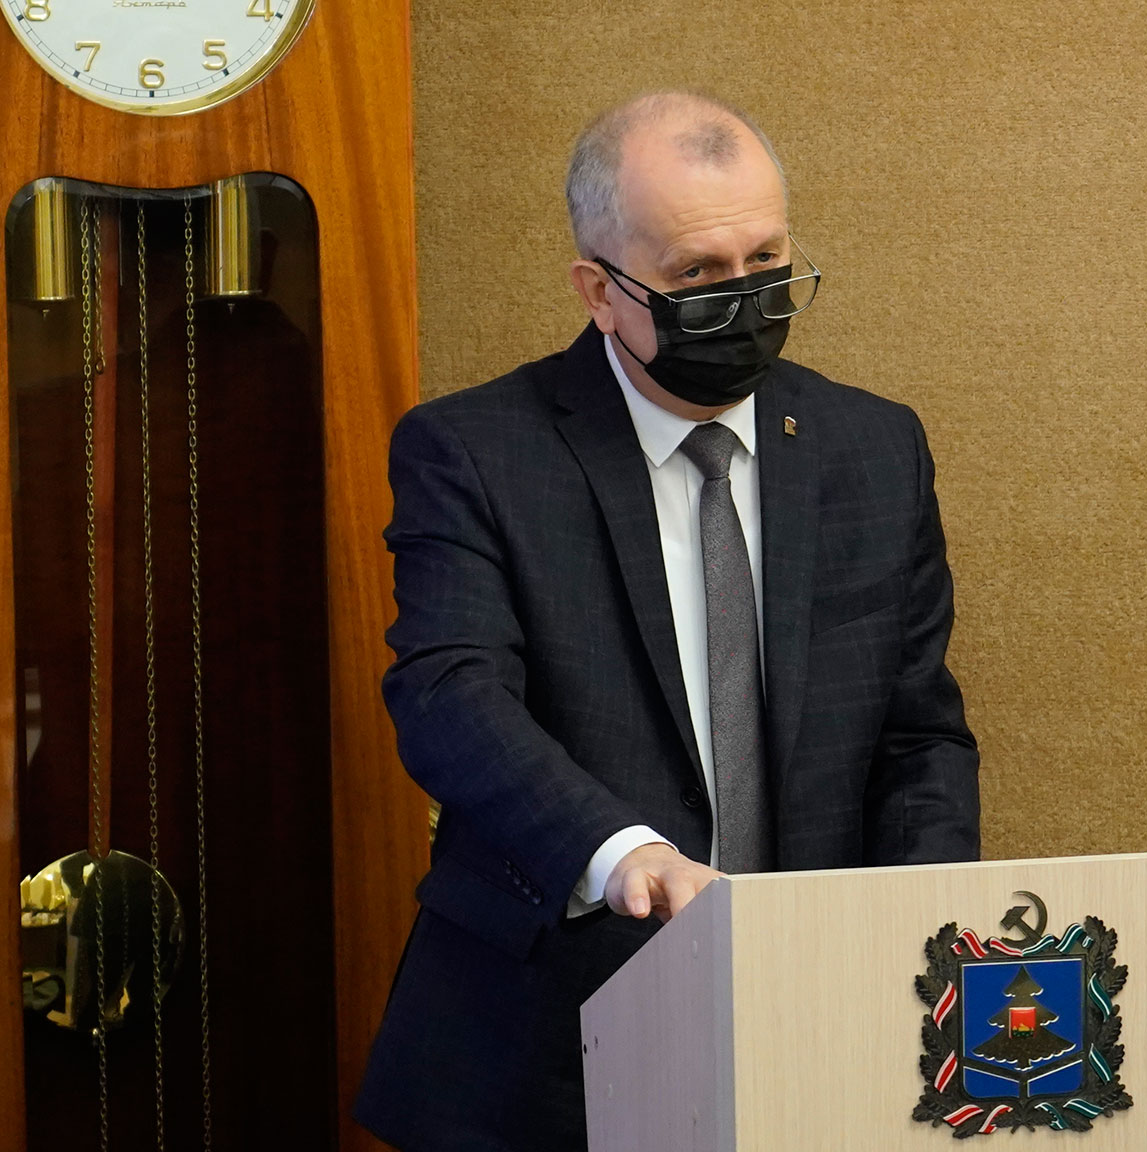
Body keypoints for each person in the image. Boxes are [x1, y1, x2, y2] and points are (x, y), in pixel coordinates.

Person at [354, 90, 980, 1152]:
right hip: (541, 1042)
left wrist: (912, 934)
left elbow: (918, 733)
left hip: (818, 1027)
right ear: (600, 289)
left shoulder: (874, 447)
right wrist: (623, 851)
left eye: (766, 261)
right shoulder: (477, 451)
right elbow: (449, 693)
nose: (742, 298)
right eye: (697, 275)